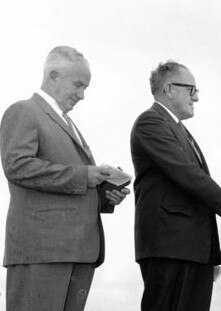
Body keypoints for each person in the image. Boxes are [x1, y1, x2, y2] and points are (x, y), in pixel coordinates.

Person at [0, 46, 129, 311]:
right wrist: (84, 175)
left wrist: (105, 195)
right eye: (78, 85)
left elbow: (74, 183)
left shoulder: (69, 124)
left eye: (86, 88)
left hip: (79, 251)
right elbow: (17, 166)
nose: (82, 95)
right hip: (43, 252)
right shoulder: (23, 110)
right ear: (54, 76)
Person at [130, 60, 221, 311]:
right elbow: (186, 173)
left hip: (193, 251)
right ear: (169, 89)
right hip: (171, 247)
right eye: (192, 90)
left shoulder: (180, 130)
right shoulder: (151, 123)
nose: (197, 97)